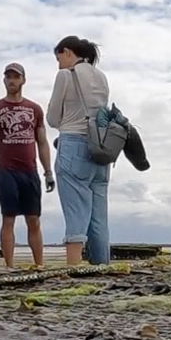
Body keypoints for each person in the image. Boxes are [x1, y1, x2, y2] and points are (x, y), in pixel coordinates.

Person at [0, 62, 54, 267]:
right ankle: (9, 266)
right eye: (8, 77)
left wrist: (48, 172)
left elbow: (43, 142)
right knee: (8, 219)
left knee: (33, 219)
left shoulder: (34, 109)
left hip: (30, 170)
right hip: (6, 170)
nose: (12, 80)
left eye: (16, 77)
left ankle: (40, 265)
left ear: (23, 80)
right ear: (4, 80)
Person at [45, 35, 111, 265]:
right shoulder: (101, 77)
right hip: (101, 147)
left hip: (73, 143)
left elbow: (53, 118)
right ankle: (102, 266)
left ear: (68, 52)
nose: (59, 63)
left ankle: (74, 269)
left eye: (59, 57)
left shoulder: (66, 75)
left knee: (75, 212)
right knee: (99, 218)